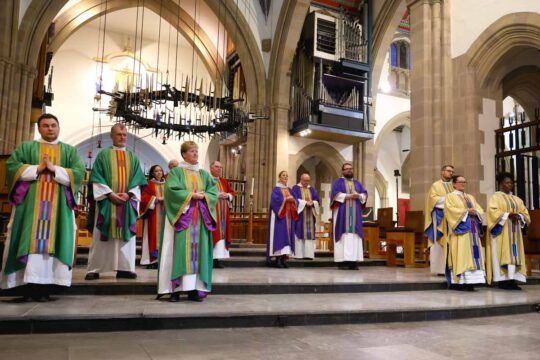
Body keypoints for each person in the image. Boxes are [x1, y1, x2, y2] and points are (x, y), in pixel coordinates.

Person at [1, 113, 85, 301]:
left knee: (54, 242)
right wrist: (38, 168)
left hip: (59, 206)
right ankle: (27, 288)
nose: (50, 129)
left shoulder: (69, 151)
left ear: (58, 127)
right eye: (45, 125)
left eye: (53, 125)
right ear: (39, 128)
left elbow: (79, 173)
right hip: (31, 205)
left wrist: (54, 169)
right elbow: (12, 167)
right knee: (27, 240)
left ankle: (47, 287)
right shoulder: (26, 147)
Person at [157, 141, 218, 302]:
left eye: (197, 151)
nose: (196, 154)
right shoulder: (176, 172)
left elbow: (213, 192)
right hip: (183, 219)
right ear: (184, 154)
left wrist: (205, 196)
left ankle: (194, 289)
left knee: (198, 255)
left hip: (200, 220)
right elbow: (171, 191)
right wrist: (191, 195)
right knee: (179, 252)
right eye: (192, 151)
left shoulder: (204, 174)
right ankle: (175, 289)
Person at [85, 124, 147, 280]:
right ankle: (95, 269)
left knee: (125, 237)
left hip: (126, 203)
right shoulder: (103, 155)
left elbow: (138, 179)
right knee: (101, 235)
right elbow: (97, 178)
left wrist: (128, 194)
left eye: (125, 135)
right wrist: (110, 194)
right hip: (107, 202)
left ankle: (125, 268)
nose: (122, 137)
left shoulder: (133, 157)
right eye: (119, 134)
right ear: (112, 136)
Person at [486, 172, 530, 290]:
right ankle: (503, 281)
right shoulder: (496, 197)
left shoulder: (517, 199)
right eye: (507, 182)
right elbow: (492, 212)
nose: (510, 185)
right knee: (502, 255)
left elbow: (525, 213)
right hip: (502, 233)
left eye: (511, 183)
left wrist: (519, 216)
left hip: (515, 233)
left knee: (514, 255)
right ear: (501, 184)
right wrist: (507, 215)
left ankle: (512, 280)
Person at [444, 175, 486, 291]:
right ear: (454, 184)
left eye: (464, 182)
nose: (463, 184)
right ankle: (460, 282)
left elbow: (480, 210)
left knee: (475, 254)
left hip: (473, 230)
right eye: (460, 182)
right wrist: (466, 212)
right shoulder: (450, 197)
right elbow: (450, 211)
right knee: (462, 254)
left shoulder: (470, 197)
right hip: (461, 231)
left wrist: (475, 212)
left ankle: (471, 282)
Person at [330, 163, 368, 270]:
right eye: (346, 169)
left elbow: (364, 194)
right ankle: (341, 261)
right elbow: (334, 195)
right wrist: (349, 196)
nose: (349, 170)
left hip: (355, 213)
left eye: (350, 168)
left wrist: (359, 195)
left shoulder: (357, 183)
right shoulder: (338, 182)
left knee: (355, 236)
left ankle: (353, 262)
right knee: (343, 236)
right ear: (342, 171)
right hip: (342, 213)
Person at [424, 165, 455, 275]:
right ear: (442, 172)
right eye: (448, 171)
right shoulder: (435, 185)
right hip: (439, 218)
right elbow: (433, 200)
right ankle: (439, 269)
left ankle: (451, 267)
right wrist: (449, 200)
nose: (451, 173)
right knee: (439, 242)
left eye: (452, 171)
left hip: (451, 218)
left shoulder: (453, 186)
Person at [266, 170, 297, 268]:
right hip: (279, 217)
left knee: (287, 237)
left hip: (288, 216)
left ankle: (284, 259)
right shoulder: (276, 189)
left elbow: (296, 200)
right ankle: (278, 259)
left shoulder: (290, 189)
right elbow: (274, 201)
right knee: (279, 236)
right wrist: (285, 200)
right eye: (283, 175)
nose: (285, 177)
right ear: (279, 177)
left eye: (287, 175)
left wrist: (293, 201)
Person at [209, 161, 235, 269]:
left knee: (221, 237)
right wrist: (216, 195)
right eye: (216, 167)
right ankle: (210, 259)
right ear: (211, 168)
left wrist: (227, 195)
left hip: (223, 215)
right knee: (213, 235)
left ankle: (217, 260)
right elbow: (204, 193)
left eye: (220, 167)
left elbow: (232, 192)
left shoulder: (224, 181)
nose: (219, 169)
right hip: (212, 214)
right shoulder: (207, 180)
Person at [140, 165, 166, 269]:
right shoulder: (149, 184)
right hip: (153, 214)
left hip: (165, 213)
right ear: (152, 173)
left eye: (160, 170)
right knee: (152, 235)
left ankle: (162, 260)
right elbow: (144, 198)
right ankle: (151, 261)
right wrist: (155, 199)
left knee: (164, 236)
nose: (159, 172)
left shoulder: (167, 184)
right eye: (156, 171)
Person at [291, 173, 320, 260]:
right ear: (301, 179)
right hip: (300, 216)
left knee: (309, 234)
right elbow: (294, 200)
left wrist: (313, 203)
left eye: (308, 181)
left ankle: (308, 254)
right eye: (304, 180)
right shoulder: (295, 188)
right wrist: (304, 203)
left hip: (310, 215)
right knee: (299, 232)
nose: (306, 182)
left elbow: (317, 199)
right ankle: (298, 255)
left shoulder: (311, 189)